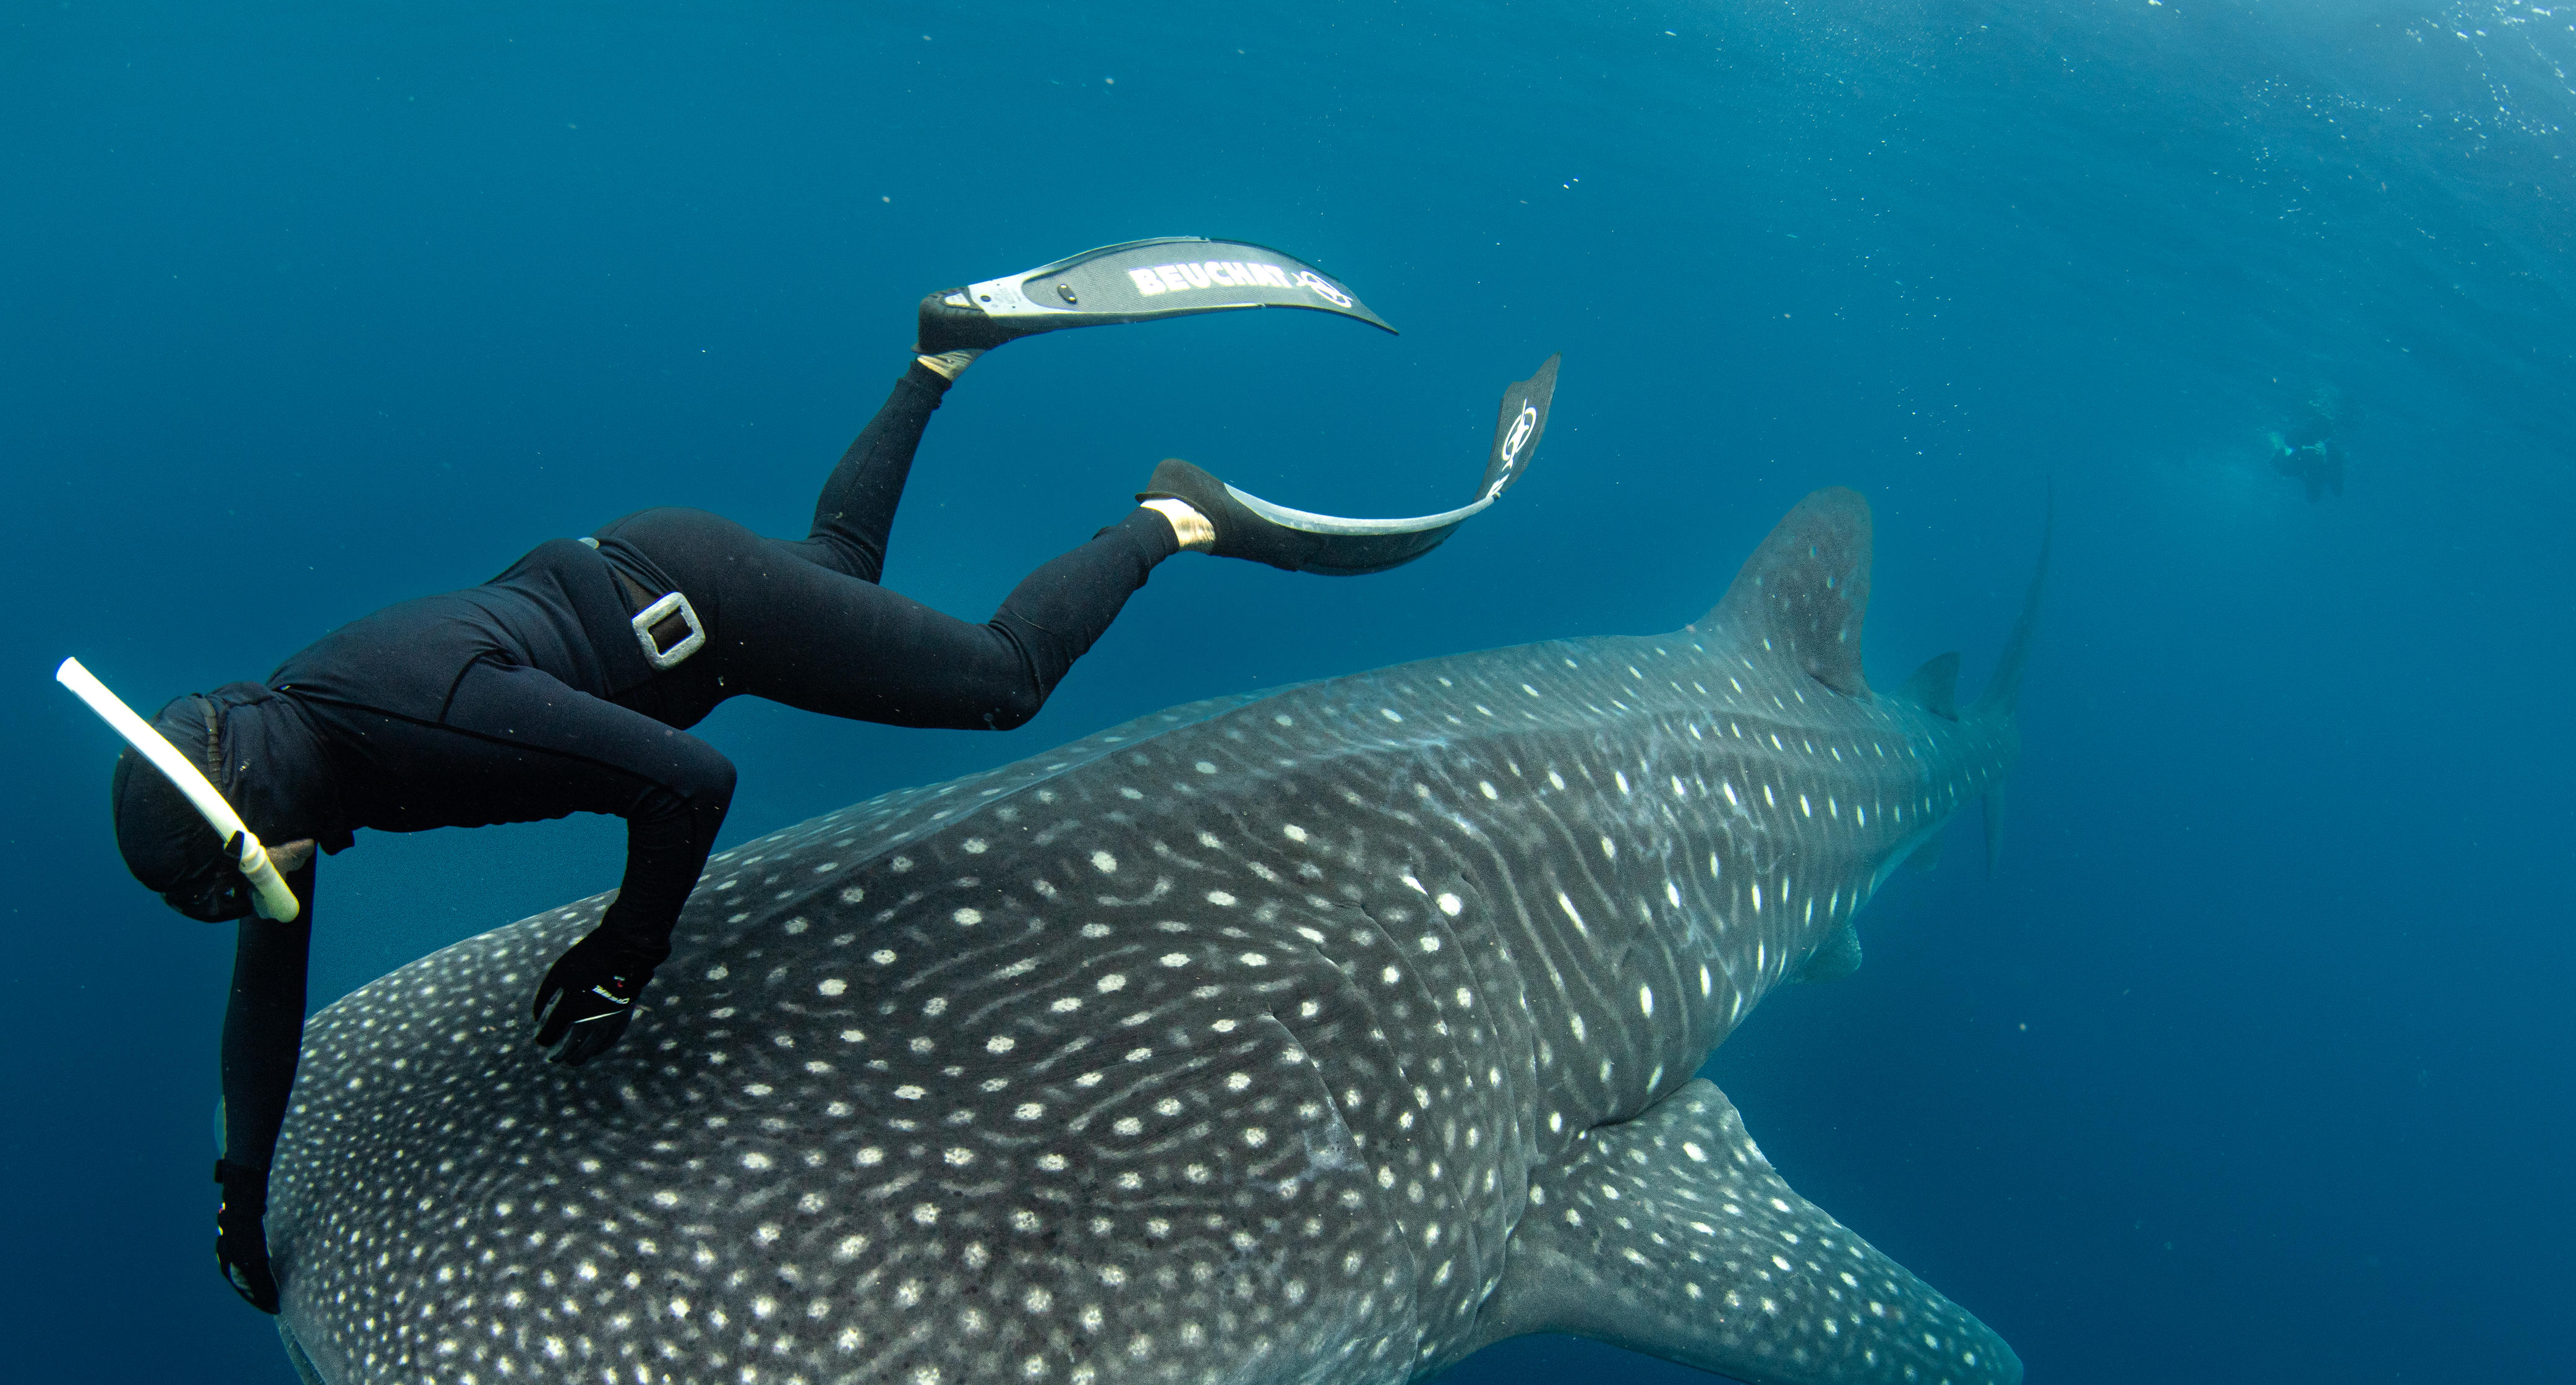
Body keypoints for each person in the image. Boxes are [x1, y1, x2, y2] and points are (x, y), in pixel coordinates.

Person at [105, 273, 1544, 1312]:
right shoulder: (283, 739)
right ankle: (940, 354)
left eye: (237, 880)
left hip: (699, 615)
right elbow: (265, 998)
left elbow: (688, 780)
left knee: (998, 678)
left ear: (250, 816)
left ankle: (1172, 516)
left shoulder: (423, 718)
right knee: (840, 563)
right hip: (647, 577)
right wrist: (242, 1202)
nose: (261, 901)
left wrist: (626, 952)